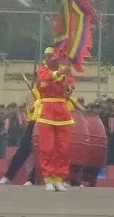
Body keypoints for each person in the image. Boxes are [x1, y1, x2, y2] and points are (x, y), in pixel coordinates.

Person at [28, 52, 79, 190]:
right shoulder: (42, 70)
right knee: (47, 147)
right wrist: (59, 74)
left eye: (56, 57)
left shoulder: (64, 69)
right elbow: (43, 82)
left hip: (63, 111)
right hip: (47, 111)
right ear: (46, 58)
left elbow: (70, 83)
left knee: (64, 148)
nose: (54, 59)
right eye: (50, 57)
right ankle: (48, 178)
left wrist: (70, 87)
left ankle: (59, 178)